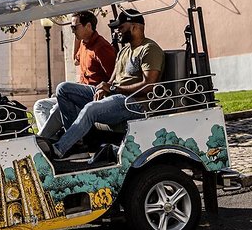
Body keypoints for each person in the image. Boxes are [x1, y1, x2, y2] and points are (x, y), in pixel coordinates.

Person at [50, 9, 165, 159]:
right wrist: (104, 87)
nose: (118, 31)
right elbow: (111, 80)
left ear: (135, 27)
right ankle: (77, 144)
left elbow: (149, 85)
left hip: (133, 102)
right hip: (115, 96)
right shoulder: (125, 51)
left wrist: (113, 88)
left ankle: (60, 148)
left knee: (90, 108)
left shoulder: (149, 49)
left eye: (121, 27)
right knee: (63, 89)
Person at [33, 10, 115, 140]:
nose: (72, 30)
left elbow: (113, 77)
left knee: (61, 98)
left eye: (74, 27)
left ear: (88, 26)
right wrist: (77, 37)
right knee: (40, 106)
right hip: (80, 92)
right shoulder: (84, 44)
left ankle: (43, 140)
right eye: (71, 27)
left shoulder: (101, 47)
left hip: (93, 96)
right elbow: (75, 60)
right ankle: (52, 139)